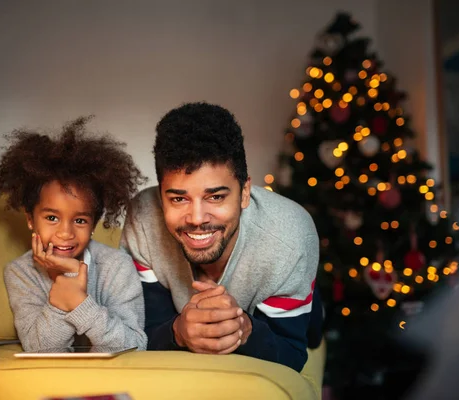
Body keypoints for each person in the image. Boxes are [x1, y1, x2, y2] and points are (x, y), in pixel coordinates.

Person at [120, 102, 321, 371]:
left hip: (278, 272)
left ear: (245, 192)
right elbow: (140, 331)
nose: (197, 218)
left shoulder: (289, 237)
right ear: (160, 197)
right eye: (179, 198)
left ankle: (313, 301)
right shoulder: (144, 218)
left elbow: (293, 354)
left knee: (313, 332)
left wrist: (245, 329)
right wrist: (177, 331)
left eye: (215, 196)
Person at [0, 117, 147, 352]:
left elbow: (134, 346)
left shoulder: (116, 266)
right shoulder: (21, 273)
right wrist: (60, 302)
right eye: (52, 218)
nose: (65, 233)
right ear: (30, 219)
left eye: (79, 220)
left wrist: (80, 303)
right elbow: (39, 350)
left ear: (94, 224)